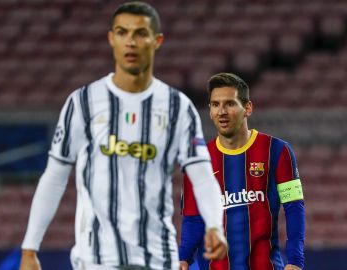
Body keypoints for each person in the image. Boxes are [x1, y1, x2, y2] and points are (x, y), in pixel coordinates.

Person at [19, 2, 227, 270]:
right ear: (111, 39)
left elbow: (201, 176)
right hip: (96, 259)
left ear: (157, 41)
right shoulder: (83, 102)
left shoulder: (178, 108)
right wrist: (30, 247)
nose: (131, 41)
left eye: (140, 33)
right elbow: (55, 176)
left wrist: (214, 224)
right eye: (122, 32)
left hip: (157, 257)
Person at [179, 73, 305, 270]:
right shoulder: (197, 161)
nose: (221, 111)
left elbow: (294, 207)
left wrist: (295, 261)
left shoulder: (278, 150)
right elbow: (193, 217)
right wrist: (183, 257)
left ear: (247, 108)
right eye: (215, 104)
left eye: (229, 104)